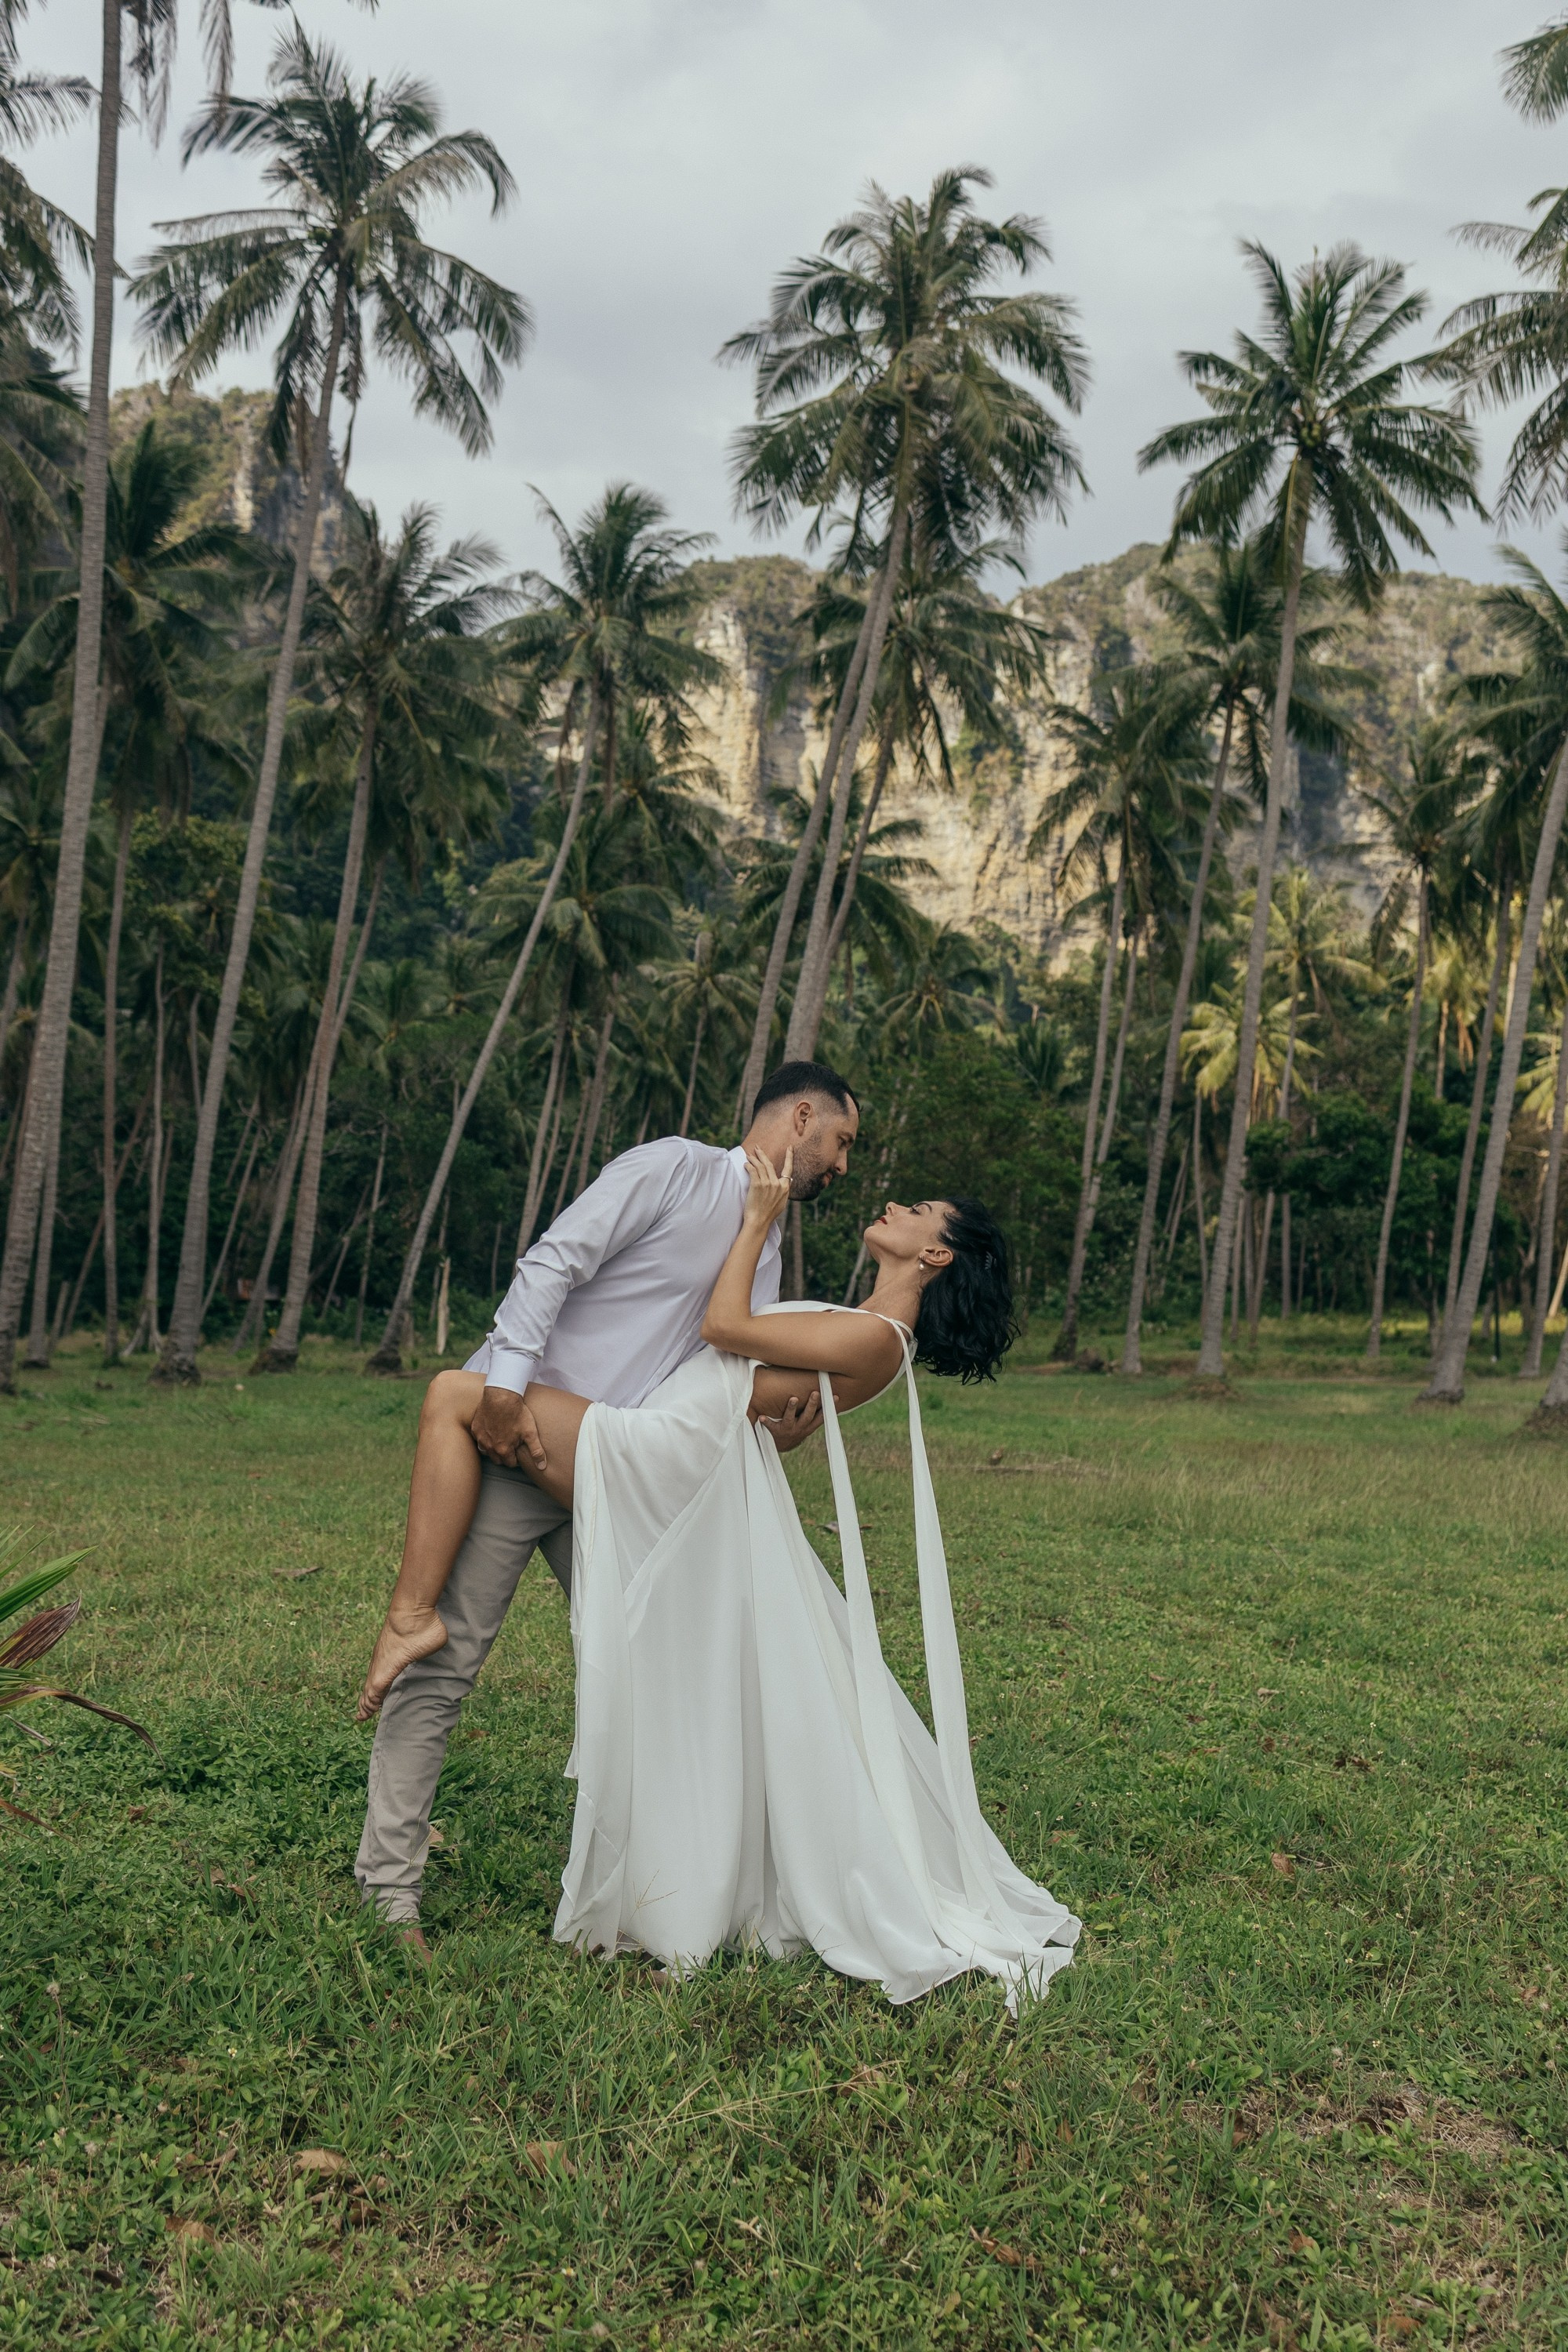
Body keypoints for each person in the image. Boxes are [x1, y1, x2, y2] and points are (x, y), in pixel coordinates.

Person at [369, 1143, 1082, 2007]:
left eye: (919, 1210)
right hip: (674, 1443)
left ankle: (412, 1614)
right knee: (669, 1685)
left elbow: (722, 1330)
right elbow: (750, 1386)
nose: (885, 1198)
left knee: (454, 1391)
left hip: (662, 1456)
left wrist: (753, 1223)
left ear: (935, 1254)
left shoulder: (873, 1334)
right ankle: (661, 1869)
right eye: (851, 1151)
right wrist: (774, 1417)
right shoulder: (855, 1319)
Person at [353, 1062, 860, 1952]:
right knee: (444, 1666)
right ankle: (388, 1892)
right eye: (842, 1143)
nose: (844, 1165)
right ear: (801, 1118)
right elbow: (555, 1261)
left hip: (624, 1481)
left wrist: (780, 1428)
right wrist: (506, 1388)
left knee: (664, 1681)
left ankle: (663, 1896)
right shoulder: (671, 1169)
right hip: (518, 1450)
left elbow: (715, 1379)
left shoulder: (766, 1247)